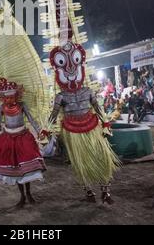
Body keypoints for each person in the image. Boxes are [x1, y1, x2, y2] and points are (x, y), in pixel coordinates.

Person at [49, 41, 120, 204]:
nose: (70, 70)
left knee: (103, 158)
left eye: (73, 64)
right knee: (81, 163)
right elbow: (53, 114)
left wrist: (106, 123)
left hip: (92, 127)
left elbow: (98, 108)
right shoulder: (60, 96)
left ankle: (106, 192)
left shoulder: (88, 91)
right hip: (73, 133)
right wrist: (46, 129)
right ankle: (89, 193)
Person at [0, 78, 46, 208]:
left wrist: (40, 131)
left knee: (26, 169)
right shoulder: (2, 107)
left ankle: (29, 193)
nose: (10, 100)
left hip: (23, 138)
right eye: (6, 98)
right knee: (16, 170)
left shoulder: (22, 105)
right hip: (8, 139)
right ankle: (22, 196)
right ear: (2, 98)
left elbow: (31, 119)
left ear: (17, 96)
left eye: (12, 97)